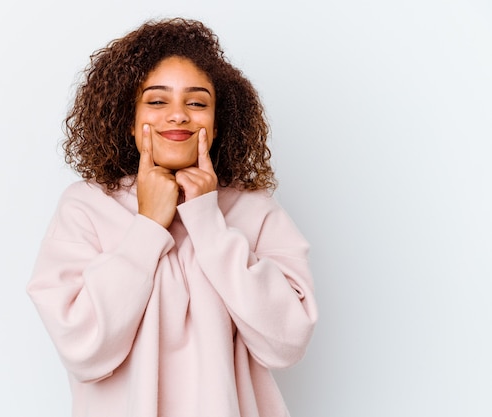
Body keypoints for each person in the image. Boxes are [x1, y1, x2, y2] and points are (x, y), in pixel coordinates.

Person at [27, 17, 318, 417]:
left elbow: (287, 342)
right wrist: (147, 226)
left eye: (197, 102)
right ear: (130, 122)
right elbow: (82, 349)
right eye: (157, 101)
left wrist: (208, 224)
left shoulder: (256, 210)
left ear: (216, 126)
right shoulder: (85, 207)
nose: (178, 115)